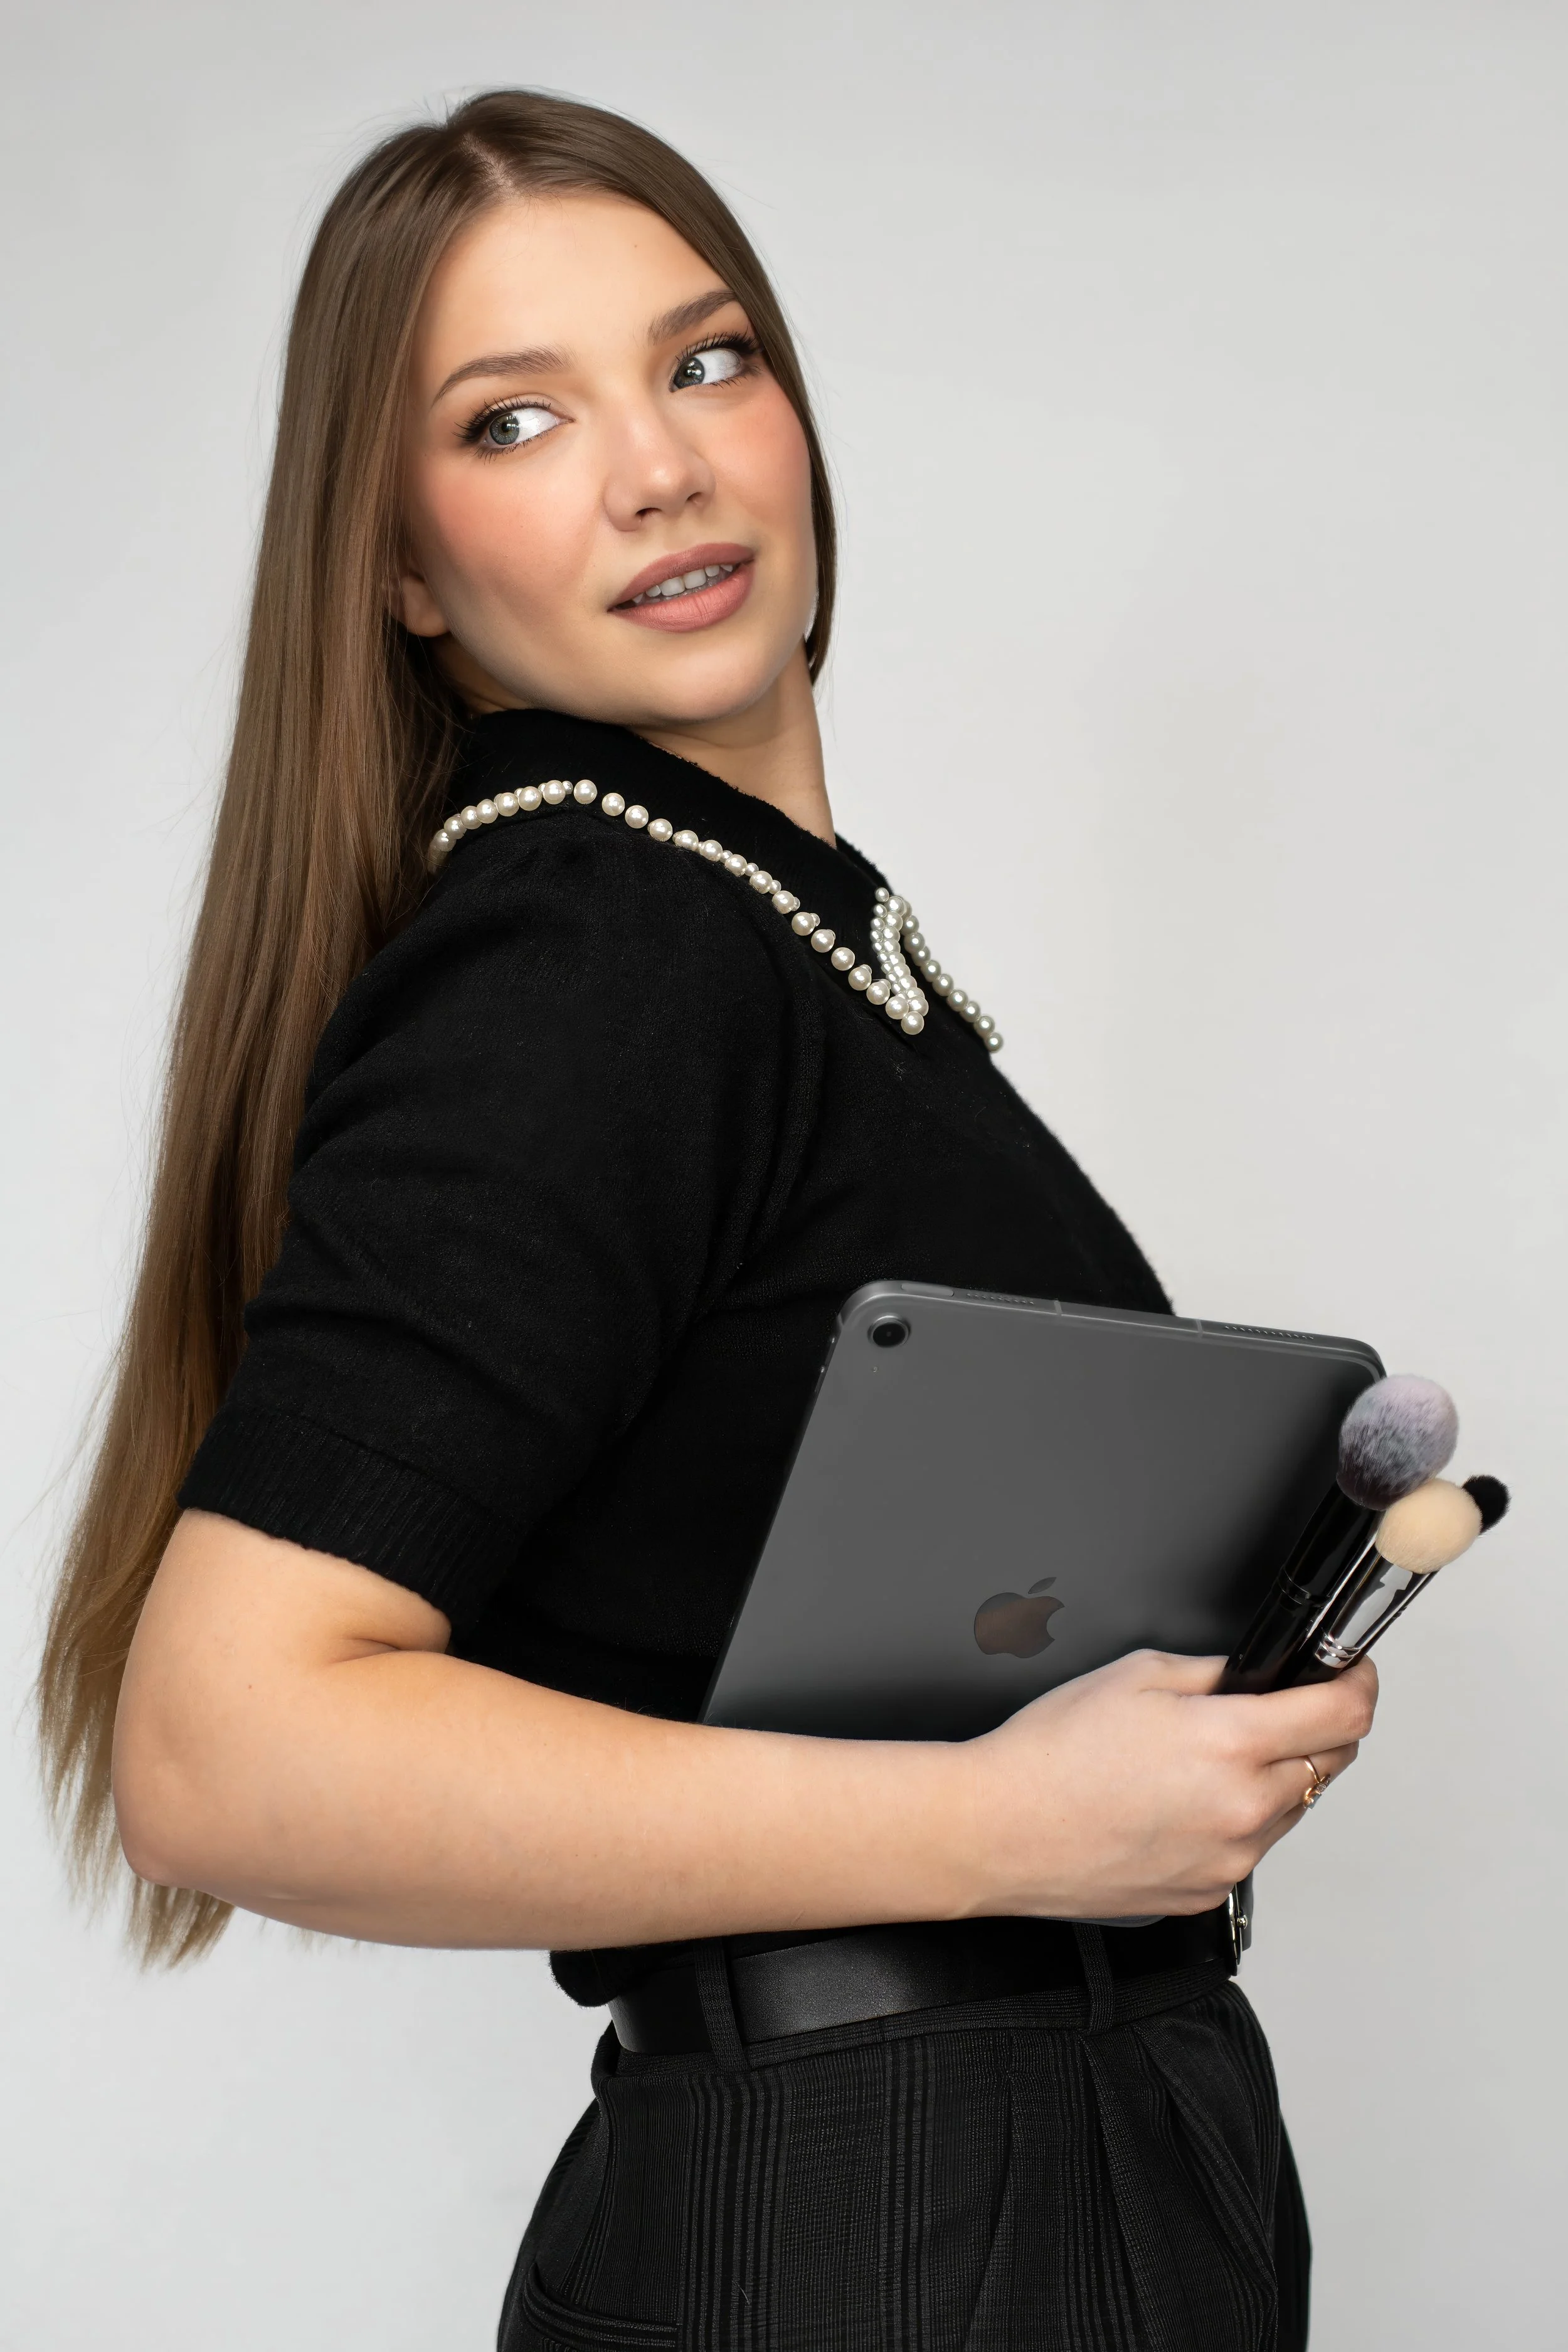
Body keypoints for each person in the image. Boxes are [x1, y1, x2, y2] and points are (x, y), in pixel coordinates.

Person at [40, 90, 1376, 2351]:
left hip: (1015, 2168)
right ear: (394, 565)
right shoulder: (598, 953)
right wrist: (1008, 1833)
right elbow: (218, 1747)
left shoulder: (774, 939)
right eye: (513, 415)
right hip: (895, 2209)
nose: (653, 464)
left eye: (705, 359)